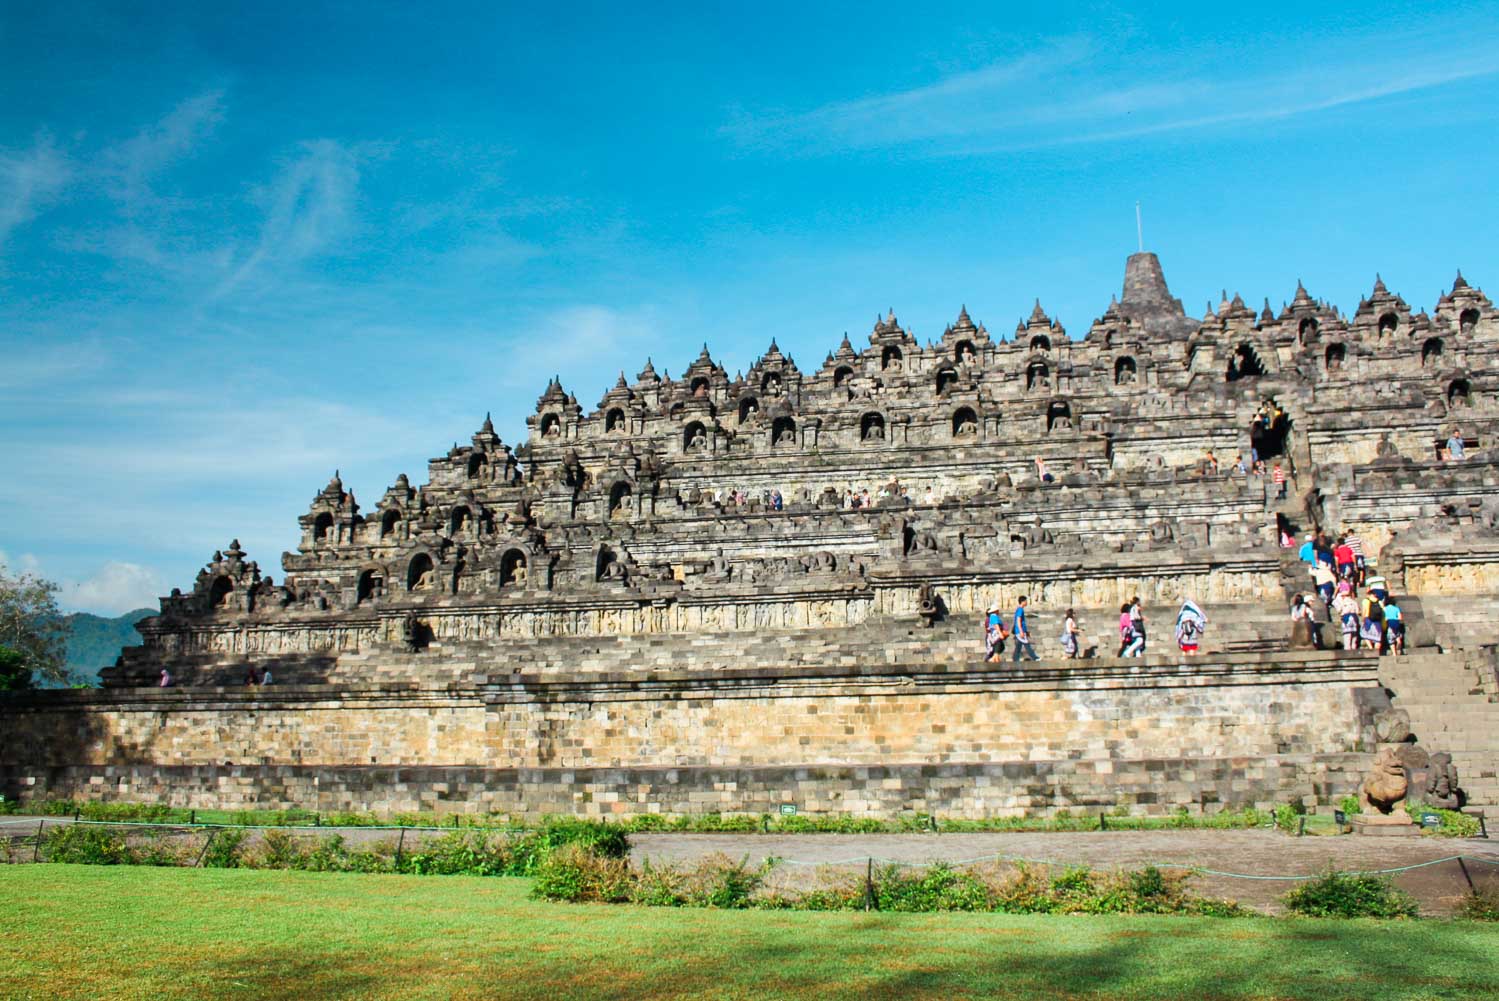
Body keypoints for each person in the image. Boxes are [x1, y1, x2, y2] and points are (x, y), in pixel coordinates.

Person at [1011, 595, 1040, 662]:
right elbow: (1018, 620)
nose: (1027, 602)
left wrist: (1025, 632)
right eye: (1026, 601)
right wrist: (1021, 631)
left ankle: (1015, 659)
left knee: (1018, 646)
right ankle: (1035, 657)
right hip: (1019, 631)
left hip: (1020, 631)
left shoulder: (1019, 609)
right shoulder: (1020, 610)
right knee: (1027, 645)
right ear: (1023, 602)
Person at [1333, 584, 1360, 651]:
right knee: (1354, 635)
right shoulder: (1354, 602)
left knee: (1347, 635)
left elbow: (1339, 610)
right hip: (1354, 618)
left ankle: (1348, 648)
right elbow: (1357, 611)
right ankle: (1354, 647)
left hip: (1346, 618)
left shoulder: (1342, 602)